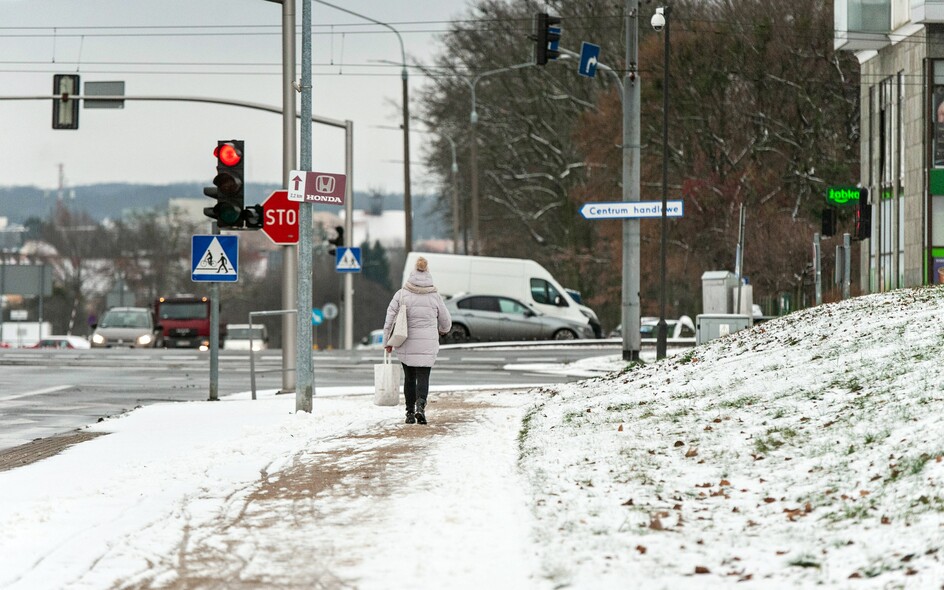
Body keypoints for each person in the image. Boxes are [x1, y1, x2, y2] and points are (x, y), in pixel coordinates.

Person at [383, 256, 451, 425]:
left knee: (409, 378)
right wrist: (443, 330)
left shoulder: (402, 294)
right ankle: (421, 405)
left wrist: (387, 342)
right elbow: (446, 320)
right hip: (428, 343)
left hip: (406, 341)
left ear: (412, 273)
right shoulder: (435, 296)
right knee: (423, 377)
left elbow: (390, 318)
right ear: (428, 274)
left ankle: (409, 413)